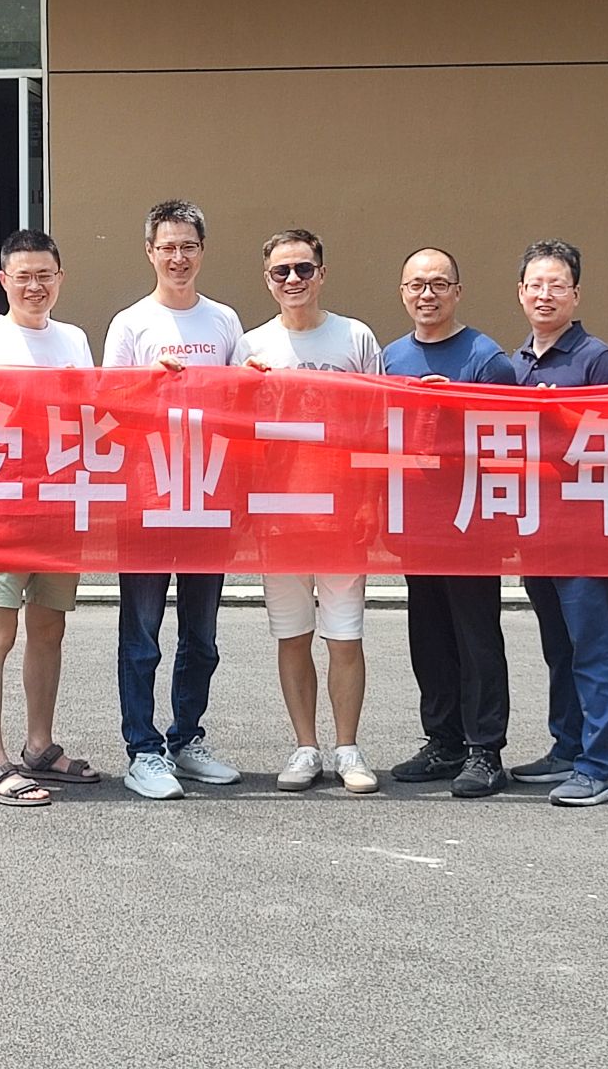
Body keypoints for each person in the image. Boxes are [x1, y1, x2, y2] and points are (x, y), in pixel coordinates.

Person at [232, 228, 383, 795]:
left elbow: (377, 425)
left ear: (322, 273)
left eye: (303, 269)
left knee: (344, 636)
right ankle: (305, 746)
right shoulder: (250, 345)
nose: (293, 279)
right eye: (282, 271)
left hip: (342, 511)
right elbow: (233, 431)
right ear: (267, 280)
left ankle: (347, 747)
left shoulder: (356, 336)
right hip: (278, 513)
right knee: (292, 634)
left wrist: (370, 502)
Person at [104, 199, 246, 800]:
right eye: (168, 247)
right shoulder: (130, 323)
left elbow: (242, 403)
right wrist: (147, 385)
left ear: (202, 251)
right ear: (150, 252)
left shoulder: (224, 321)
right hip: (145, 497)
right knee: (142, 634)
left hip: (209, 494)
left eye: (188, 246)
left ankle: (187, 738)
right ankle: (143, 749)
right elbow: (107, 408)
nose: (178, 258)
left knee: (202, 635)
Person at [0, 229, 101, 808]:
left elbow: (92, 415)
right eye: (24, 276)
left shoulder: (75, 340)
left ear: (60, 279)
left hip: (61, 504)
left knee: (48, 629)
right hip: (1, 510)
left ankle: (39, 746)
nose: (35, 286)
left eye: (45, 275)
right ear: (3, 281)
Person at [384, 247, 519, 798]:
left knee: (476, 636)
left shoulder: (487, 358)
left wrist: (458, 407)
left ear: (457, 292)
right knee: (429, 634)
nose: (427, 294)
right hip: (417, 519)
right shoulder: (391, 357)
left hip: (473, 520)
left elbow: (510, 440)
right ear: (403, 293)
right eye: (416, 285)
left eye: (439, 284)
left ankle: (485, 749)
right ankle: (443, 740)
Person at [506, 240, 608, 807]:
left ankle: (602, 765)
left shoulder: (598, 359)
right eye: (536, 285)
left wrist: (565, 419)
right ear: (520, 293)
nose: (545, 294)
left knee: (593, 648)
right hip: (536, 528)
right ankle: (567, 745)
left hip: (584, 530)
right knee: (558, 646)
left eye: (557, 285)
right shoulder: (513, 363)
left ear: (575, 295)